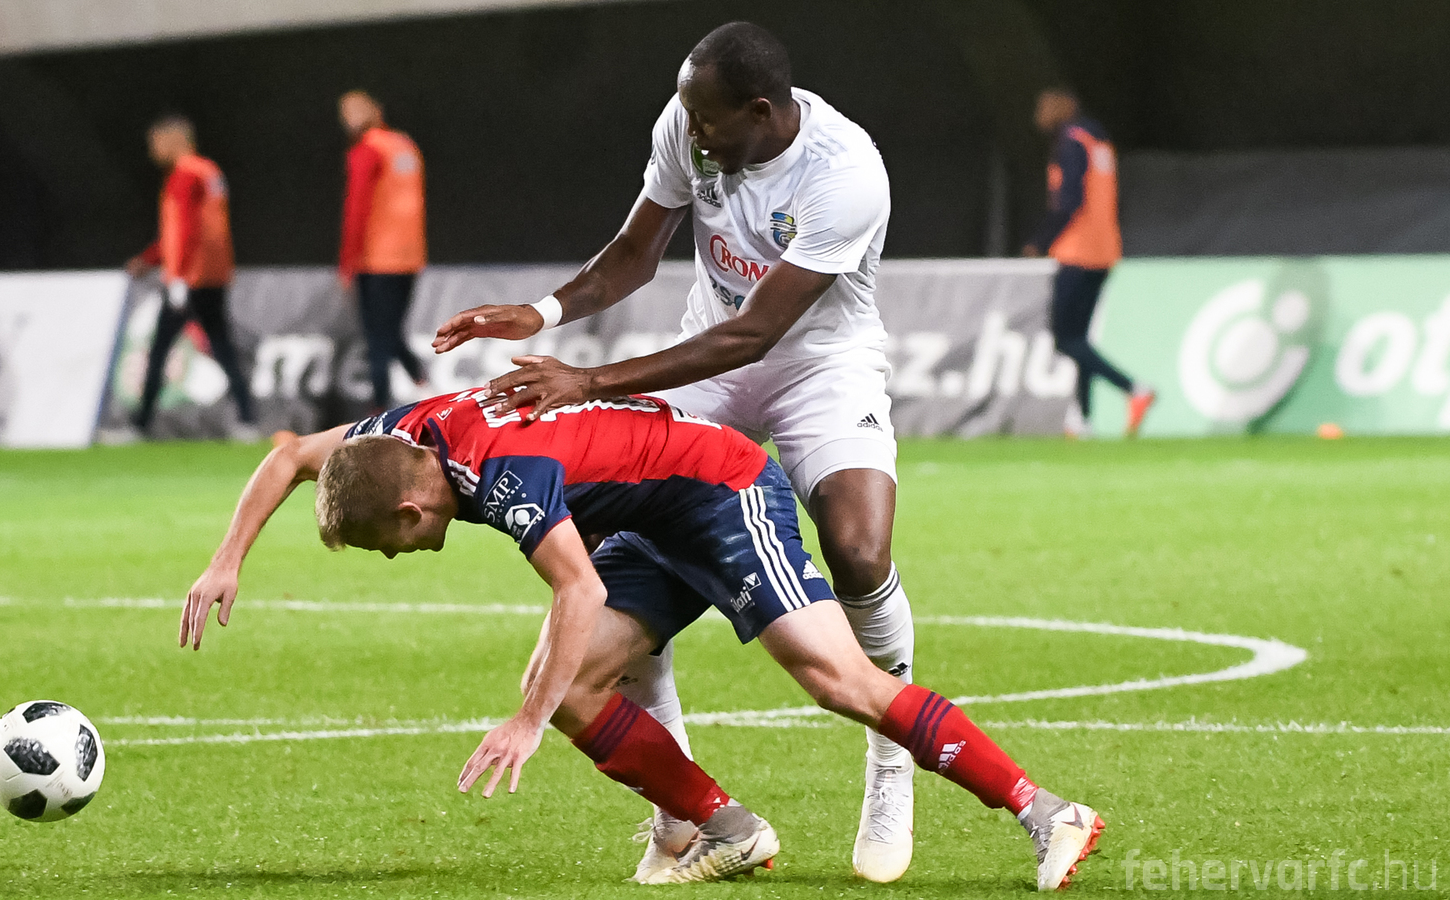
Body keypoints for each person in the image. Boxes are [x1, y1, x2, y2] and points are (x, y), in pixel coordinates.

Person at [179, 389, 1104, 889]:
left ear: (415, 508)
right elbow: (291, 456)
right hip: (651, 516)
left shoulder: (502, 478)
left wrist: (524, 721)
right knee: (575, 684)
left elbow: (577, 586)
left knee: (836, 678)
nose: (393, 557)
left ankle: (1046, 811)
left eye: (388, 543)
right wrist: (226, 560)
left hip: (720, 491)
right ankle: (725, 828)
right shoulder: (396, 437)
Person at [431, 22, 919, 881]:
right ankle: (681, 810)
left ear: (760, 111)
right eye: (688, 116)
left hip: (818, 365)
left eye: (708, 120)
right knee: (622, 532)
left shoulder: (846, 173)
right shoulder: (690, 123)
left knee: (857, 549)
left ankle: (891, 758)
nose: (691, 133)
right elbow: (634, 254)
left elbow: (757, 333)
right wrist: (542, 314)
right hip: (712, 362)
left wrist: (591, 381)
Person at [1022, 87, 1154, 439]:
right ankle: (1083, 420)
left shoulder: (1070, 144)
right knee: (1080, 338)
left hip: (1077, 251)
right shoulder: (1099, 142)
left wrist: (1039, 241)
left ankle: (1134, 388)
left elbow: (1069, 201)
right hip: (1105, 250)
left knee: (1065, 339)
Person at [124, 114, 258, 441]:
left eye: (157, 142)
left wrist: (180, 277)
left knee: (160, 349)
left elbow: (186, 230)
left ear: (174, 140)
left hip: (190, 278)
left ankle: (140, 424)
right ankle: (247, 418)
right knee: (222, 346)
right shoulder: (208, 171)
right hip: (213, 275)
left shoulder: (184, 175)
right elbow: (186, 231)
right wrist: (149, 259)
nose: (153, 150)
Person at [338, 90, 429, 412]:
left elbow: (357, 207)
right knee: (390, 330)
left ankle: (380, 408)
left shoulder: (367, 150)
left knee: (377, 335)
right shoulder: (404, 145)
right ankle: (422, 380)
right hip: (409, 255)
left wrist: (347, 260)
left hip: (376, 257)